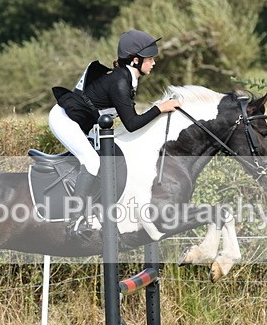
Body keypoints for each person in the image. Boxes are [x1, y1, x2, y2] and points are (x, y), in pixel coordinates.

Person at [49, 29, 181, 238]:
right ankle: (73, 222)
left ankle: (97, 212)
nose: (154, 63)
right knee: (92, 161)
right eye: (150, 59)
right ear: (136, 60)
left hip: (82, 122)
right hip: (64, 119)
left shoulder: (126, 78)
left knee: (106, 161)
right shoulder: (120, 82)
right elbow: (131, 124)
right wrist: (160, 108)